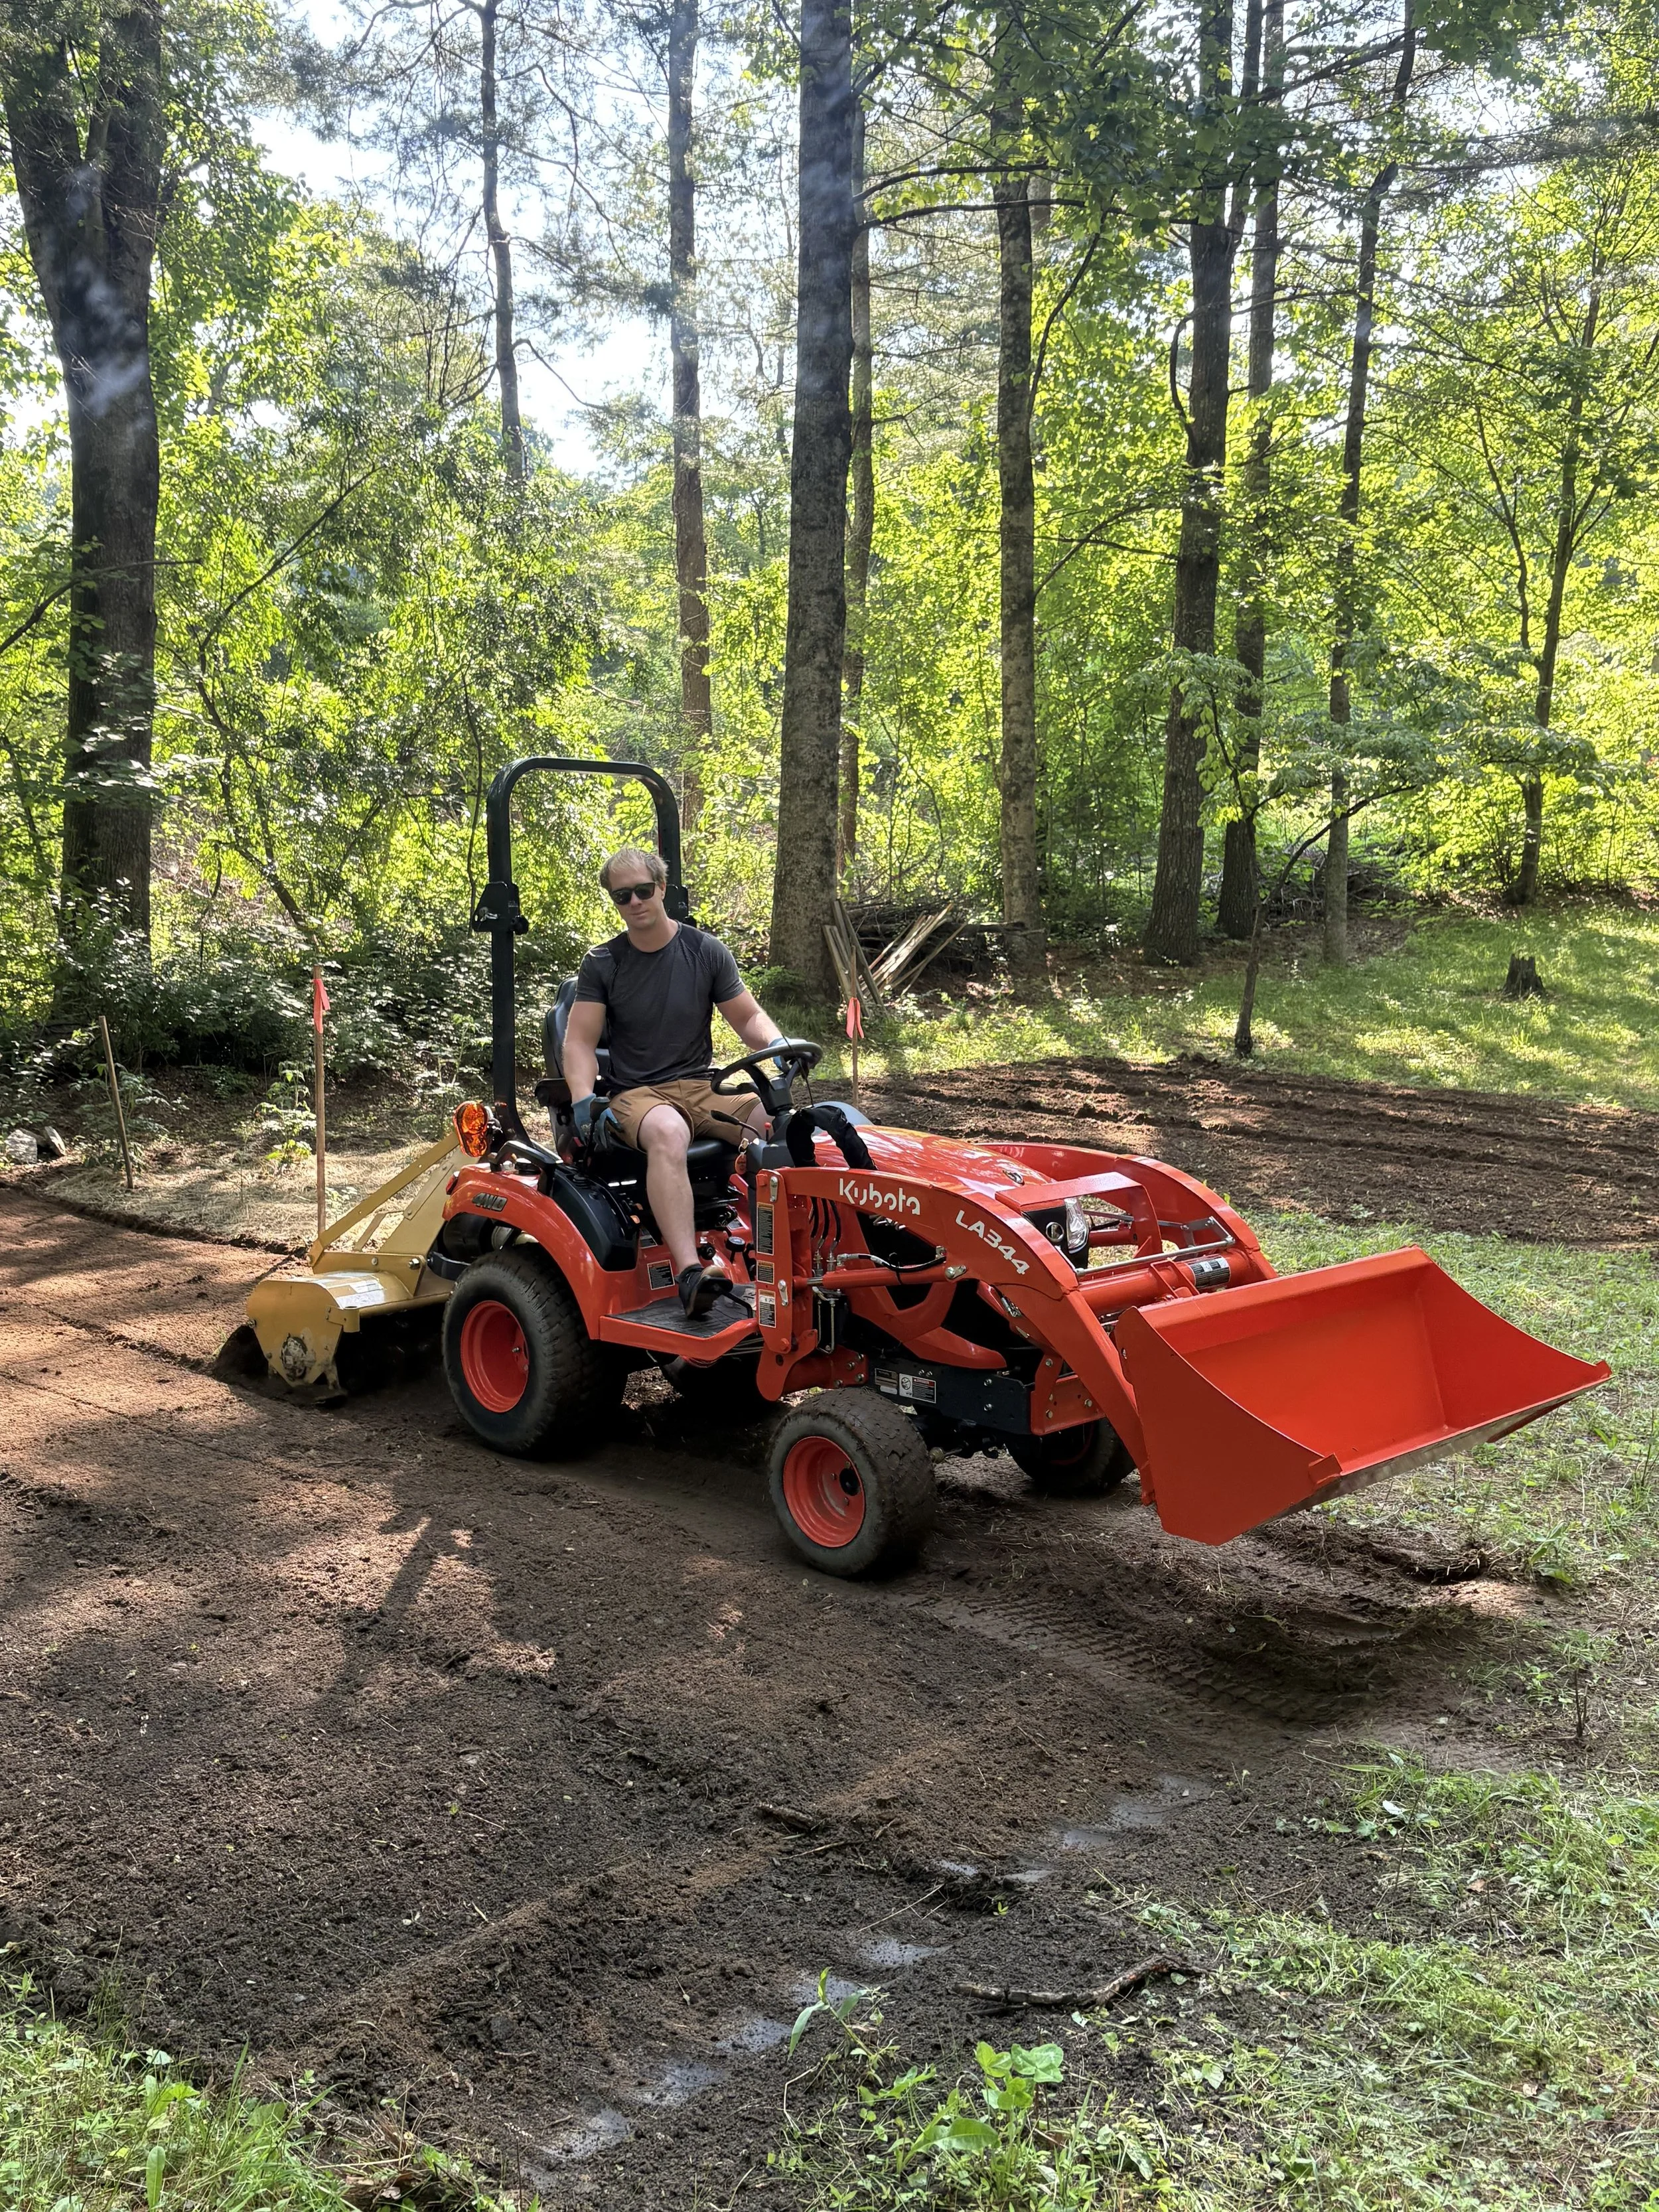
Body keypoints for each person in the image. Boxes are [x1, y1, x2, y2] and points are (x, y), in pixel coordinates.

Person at [563, 847, 786, 1317]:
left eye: (644, 890)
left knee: (776, 1121)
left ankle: (789, 1255)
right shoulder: (604, 962)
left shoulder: (704, 952)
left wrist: (778, 1045)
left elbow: (748, 1018)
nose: (635, 902)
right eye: (623, 896)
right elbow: (580, 1041)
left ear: (662, 888)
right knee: (669, 1131)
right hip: (637, 1095)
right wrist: (584, 1099)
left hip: (703, 1086)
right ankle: (690, 1274)